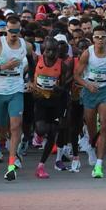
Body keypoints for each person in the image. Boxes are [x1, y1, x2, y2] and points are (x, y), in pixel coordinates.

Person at [0, 15, 32, 181]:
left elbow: (32, 62)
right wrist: (4, 66)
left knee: (16, 126)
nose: (14, 34)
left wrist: (31, 79)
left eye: (17, 30)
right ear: (6, 30)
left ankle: (11, 165)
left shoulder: (26, 45)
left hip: (16, 90)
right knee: (2, 132)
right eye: (11, 31)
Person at [76, 26, 106, 178]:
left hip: (105, 91)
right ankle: (91, 147)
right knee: (91, 128)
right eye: (97, 37)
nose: (100, 40)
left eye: (103, 37)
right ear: (93, 39)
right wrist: (88, 85)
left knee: (103, 126)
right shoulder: (87, 54)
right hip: (90, 92)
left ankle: (99, 165)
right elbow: (76, 76)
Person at [30, 37, 72, 179]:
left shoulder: (62, 65)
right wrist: (31, 83)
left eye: (54, 50)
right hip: (40, 100)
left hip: (55, 102)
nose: (51, 53)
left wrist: (59, 88)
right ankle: (38, 134)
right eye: (48, 50)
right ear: (43, 50)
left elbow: (66, 83)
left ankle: (41, 166)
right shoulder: (37, 61)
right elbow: (28, 71)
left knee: (53, 132)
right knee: (42, 129)